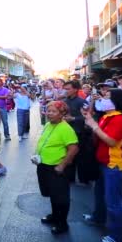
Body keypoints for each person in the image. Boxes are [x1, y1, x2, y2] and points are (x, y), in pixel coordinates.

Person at [82, 89, 122, 242]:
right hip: (103, 163)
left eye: (107, 97)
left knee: (113, 202)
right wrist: (90, 120)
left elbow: (111, 141)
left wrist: (94, 125)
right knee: (99, 193)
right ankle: (98, 218)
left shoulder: (119, 120)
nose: (103, 99)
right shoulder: (106, 117)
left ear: (116, 102)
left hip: (114, 165)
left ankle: (117, 235)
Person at [33, 101, 79, 235]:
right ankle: (54, 216)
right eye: (48, 111)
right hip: (44, 165)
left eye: (53, 111)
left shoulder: (66, 128)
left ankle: (62, 223)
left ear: (62, 114)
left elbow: (74, 148)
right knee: (53, 194)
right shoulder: (48, 124)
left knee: (61, 197)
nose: (49, 114)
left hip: (57, 168)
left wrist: (62, 165)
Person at [63, 80, 97, 185]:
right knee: (69, 157)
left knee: (82, 158)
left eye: (68, 89)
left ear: (75, 89)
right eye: (65, 89)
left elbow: (88, 116)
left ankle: (84, 179)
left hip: (80, 133)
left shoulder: (82, 102)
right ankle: (69, 178)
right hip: (67, 134)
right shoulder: (64, 101)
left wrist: (73, 118)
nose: (66, 91)